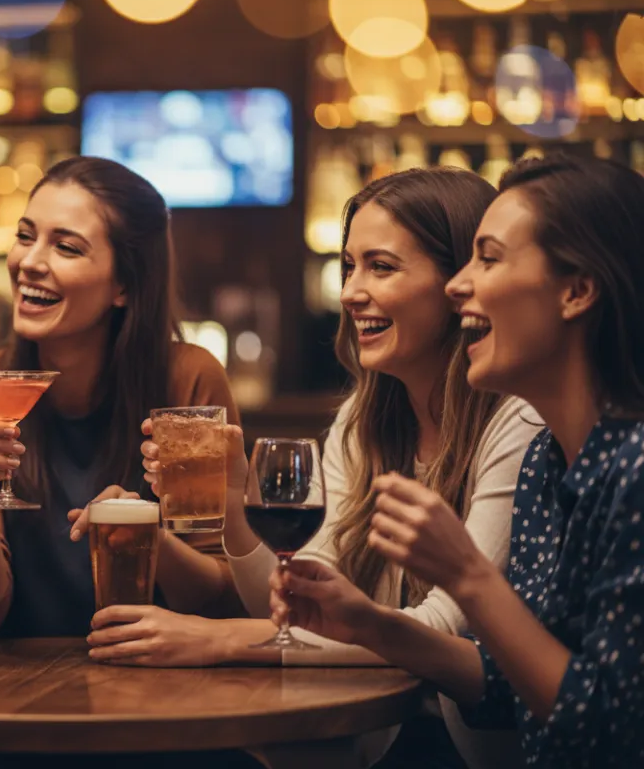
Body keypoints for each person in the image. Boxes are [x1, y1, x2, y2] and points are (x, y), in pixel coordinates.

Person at [90, 167, 541, 766]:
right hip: (379, 733)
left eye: (381, 267)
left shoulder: (519, 420)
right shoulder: (364, 418)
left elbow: (442, 629)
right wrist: (232, 500)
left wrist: (218, 639)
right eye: (349, 267)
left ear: (459, 282)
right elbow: (295, 606)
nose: (352, 291)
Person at [273, 154, 644, 768]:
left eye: (488, 258)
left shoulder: (630, 466)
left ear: (577, 290)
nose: (456, 285)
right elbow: (506, 689)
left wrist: (468, 576)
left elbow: (610, 729)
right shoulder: (551, 462)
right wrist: (367, 622)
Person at [0, 156, 244, 639]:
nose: (29, 262)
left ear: (124, 284)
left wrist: (145, 535)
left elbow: (221, 598)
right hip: (10, 687)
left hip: (156, 680)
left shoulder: (188, 380)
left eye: (66, 247)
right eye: (24, 236)